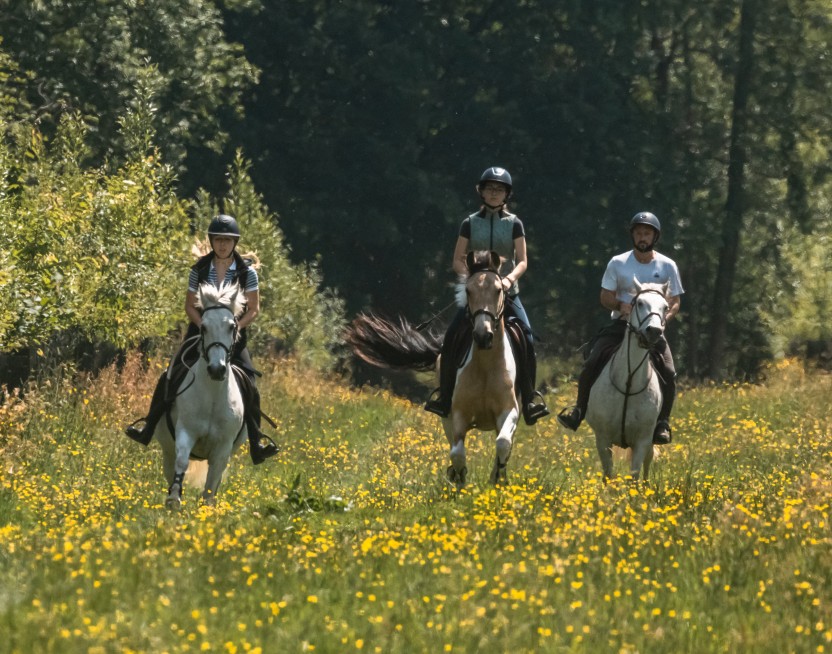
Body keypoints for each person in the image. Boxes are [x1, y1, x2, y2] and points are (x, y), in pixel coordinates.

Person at [124, 214, 279, 464]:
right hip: (200, 332)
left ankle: (256, 441)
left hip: (233, 336)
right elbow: (189, 306)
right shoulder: (199, 269)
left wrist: (234, 328)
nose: (222, 245)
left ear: (234, 243)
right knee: (169, 374)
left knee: (249, 381)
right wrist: (205, 327)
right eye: (218, 240)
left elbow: (254, 309)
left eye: (227, 240)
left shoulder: (247, 272)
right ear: (212, 241)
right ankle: (148, 427)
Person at [424, 166, 550, 425]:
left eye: (499, 189)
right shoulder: (470, 223)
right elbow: (458, 260)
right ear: (481, 192)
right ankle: (444, 397)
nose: (494, 193)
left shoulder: (514, 224)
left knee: (526, 336)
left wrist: (508, 279)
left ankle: (529, 399)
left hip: (507, 293)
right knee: (450, 338)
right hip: (477, 296)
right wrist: (471, 279)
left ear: (507, 194)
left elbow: (523, 261)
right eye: (490, 189)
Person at [556, 211, 683, 444]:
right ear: (633, 236)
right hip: (622, 325)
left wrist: (664, 319)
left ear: (655, 237)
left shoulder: (668, 265)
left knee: (668, 371)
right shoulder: (618, 262)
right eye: (638, 233)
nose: (642, 237)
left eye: (647, 233)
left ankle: (662, 423)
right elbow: (605, 296)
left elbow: (675, 300)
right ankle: (579, 411)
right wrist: (620, 305)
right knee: (592, 362)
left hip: (653, 329)